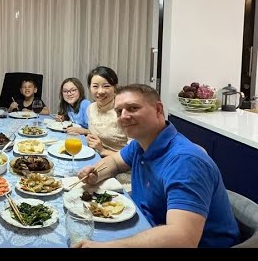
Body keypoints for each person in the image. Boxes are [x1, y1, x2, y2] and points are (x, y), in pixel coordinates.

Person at [75, 84, 241, 248]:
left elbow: (183, 239)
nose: (123, 116)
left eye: (133, 108)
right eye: (119, 111)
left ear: (158, 110)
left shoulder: (185, 161)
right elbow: (114, 162)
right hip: (147, 225)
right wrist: (96, 172)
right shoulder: (141, 143)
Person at [85, 66, 128, 157]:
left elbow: (135, 156)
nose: (100, 91)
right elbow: (92, 133)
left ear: (115, 88)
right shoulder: (91, 108)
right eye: (95, 86)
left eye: (106, 86)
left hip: (121, 166)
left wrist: (103, 150)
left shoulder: (124, 111)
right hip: (95, 157)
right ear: (89, 88)